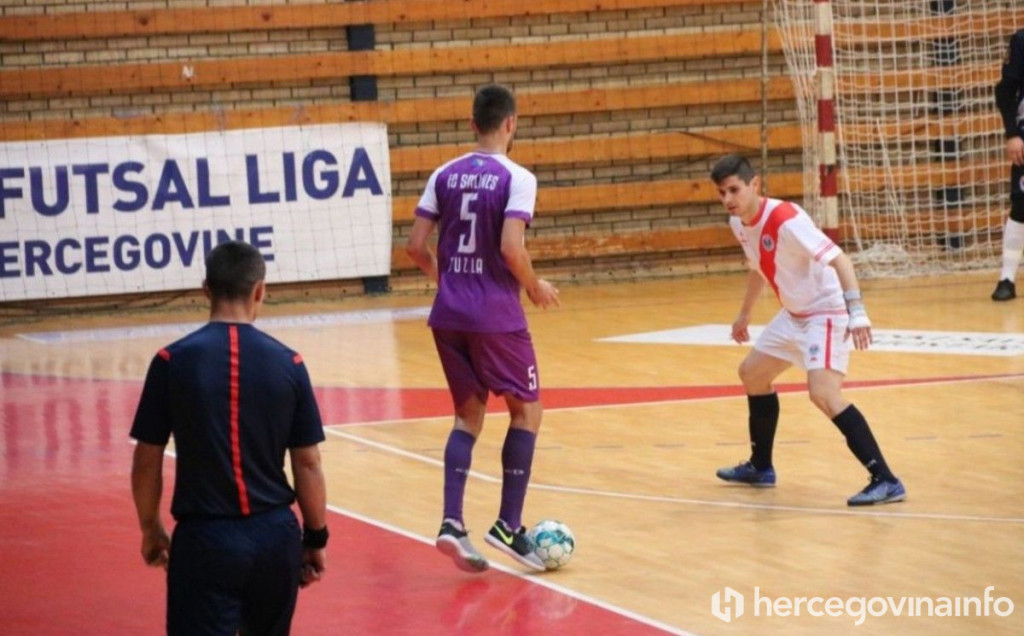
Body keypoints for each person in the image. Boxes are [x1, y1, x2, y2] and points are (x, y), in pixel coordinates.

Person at [130, 240, 329, 635]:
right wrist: (315, 537)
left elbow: (146, 460)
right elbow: (308, 463)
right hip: (275, 537)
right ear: (260, 290)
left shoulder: (171, 361)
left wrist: (151, 528)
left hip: (206, 540)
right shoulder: (290, 363)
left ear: (206, 289)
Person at [406, 83, 560, 573]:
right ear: (511, 123)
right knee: (526, 414)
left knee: (467, 417)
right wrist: (533, 286)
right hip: (496, 316)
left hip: (448, 314)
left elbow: (413, 246)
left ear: (473, 123)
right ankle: (508, 527)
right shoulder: (518, 177)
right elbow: (512, 248)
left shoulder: (443, 173)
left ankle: (452, 522)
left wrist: (446, 279)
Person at [709, 154, 905, 506]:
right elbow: (757, 268)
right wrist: (744, 315)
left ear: (755, 185)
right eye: (722, 193)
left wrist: (857, 311)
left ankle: (886, 479)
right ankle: (760, 467)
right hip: (794, 314)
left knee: (824, 394)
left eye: (734, 190)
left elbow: (840, 259)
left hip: (826, 312)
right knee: (752, 374)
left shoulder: (786, 219)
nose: (728, 199)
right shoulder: (738, 223)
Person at [992, 28, 1024, 301]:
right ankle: (1007, 278)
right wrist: (1012, 133)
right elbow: (1005, 91)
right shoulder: (1022, 40)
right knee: (1022, 205)